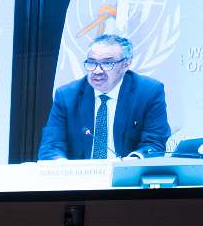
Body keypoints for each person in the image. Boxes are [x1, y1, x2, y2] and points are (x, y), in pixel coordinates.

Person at [37, 34, 170, 161]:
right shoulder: (67, 96)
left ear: (126, 64)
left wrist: (132, 162)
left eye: (107, 63)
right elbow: (51, 146)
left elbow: (155, 142)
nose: (97, 71)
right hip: (81, 175)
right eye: (92, 63)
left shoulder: (148, 92)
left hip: (125, 172)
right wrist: (62, 166)